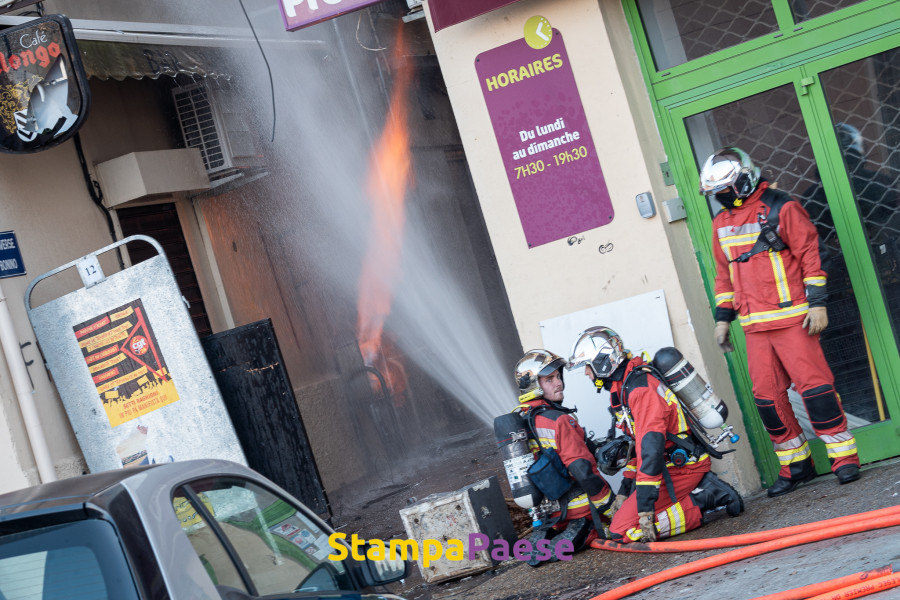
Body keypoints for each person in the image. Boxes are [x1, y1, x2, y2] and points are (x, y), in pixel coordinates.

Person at [701, 147, 861, 497]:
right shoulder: (720, 224)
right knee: (767, 401)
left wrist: (817, 304)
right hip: (755, 327)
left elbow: (811, 255)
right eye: (717, 194)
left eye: (725, 190)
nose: (722, 198)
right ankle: (796, 465)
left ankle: (844, 458)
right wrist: (723, 319)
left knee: (815, 390)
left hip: (792, 320)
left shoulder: (781, 207)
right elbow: (723, 276)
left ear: (743, 180)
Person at [567, 326, 743, 543]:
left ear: (603, 361)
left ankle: (707, 497)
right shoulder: (622, 389)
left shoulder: (640, 390)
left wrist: (645, 509)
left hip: (683, 467)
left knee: (622, 532)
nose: (586, 373)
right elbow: (635, 448)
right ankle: (700, 492)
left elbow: (650, 449)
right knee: (620, 525)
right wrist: (624, 491)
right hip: (665, 466)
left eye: (587, 366)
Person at [514, 349, 614, 564]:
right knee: (621, 525)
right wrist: (610, 505)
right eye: (549, 379)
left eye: (559, 376)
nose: (558, 383)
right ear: (533, 385)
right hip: (581, 509)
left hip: (552, 516)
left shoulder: (522, 420)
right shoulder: (559, 420)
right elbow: (582, 470)